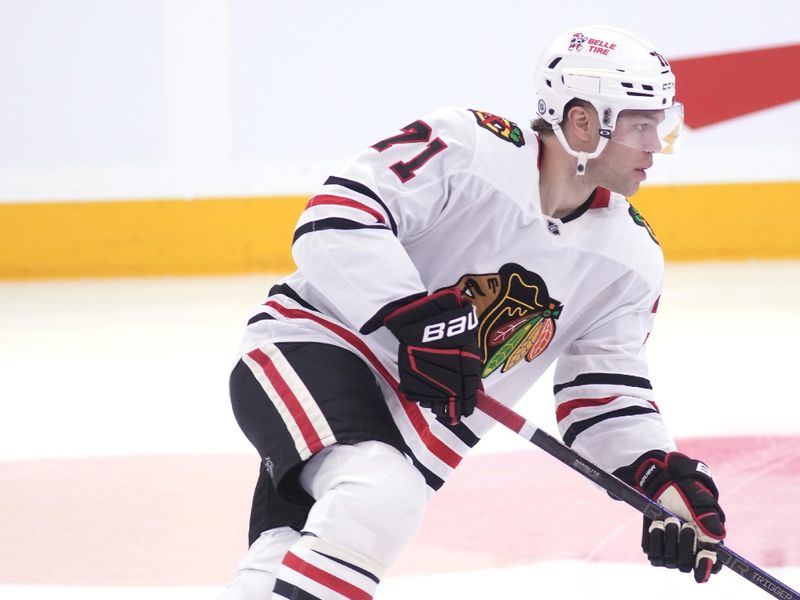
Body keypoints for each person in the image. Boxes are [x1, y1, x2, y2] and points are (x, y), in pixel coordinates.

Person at [219, 24, 726, 599]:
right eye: (641, 124)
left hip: (415, 433)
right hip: (315, 350)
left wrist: (658, 475)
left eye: (661, 124)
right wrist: (408, 313)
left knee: (288, 556)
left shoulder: (630, 259)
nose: (655, 145)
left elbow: (604, 395)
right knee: (379, 491)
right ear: (584, 122)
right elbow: (335, 217)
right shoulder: (468, 147)